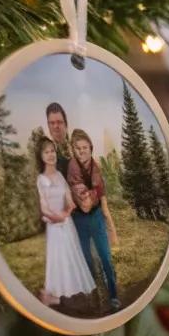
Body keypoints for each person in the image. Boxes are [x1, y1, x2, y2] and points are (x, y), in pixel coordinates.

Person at [44, 104, 121, 311]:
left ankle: (112, 295)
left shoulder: (94, 167)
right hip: (77, 219)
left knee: (105, 258)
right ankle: (96, 298)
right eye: (52, 123)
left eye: (85, 147)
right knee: (86, 261)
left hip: (94, 218)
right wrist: (92, 195)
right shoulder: (66, 163)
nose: (81, 151)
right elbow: (84, 201)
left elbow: (98, 196)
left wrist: (110, 223)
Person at [35, 137, 95, 306]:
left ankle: (75, 293)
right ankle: (56, 294)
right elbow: (44, 207)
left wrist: (66, 212)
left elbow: (69, 200)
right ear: (41, 156)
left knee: (71, 255)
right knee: (58, 257)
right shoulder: (41, 179)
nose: (51, 155)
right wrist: (57, 217)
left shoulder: (60, 175)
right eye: (46, 152)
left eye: (52, 151)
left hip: (67, 223)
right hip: (54, 225)